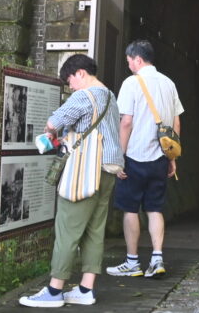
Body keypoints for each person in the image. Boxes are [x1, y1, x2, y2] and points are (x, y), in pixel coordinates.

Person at [20, 54, 122, 308]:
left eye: (70, 80)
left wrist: (52, 134)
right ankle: (86, 289)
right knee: (94, 230)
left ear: (80, 73)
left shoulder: (84, 96)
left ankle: (54, 292)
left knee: (67, 229)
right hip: (109, 169)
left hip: (85, 170)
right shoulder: (110, 96)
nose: (70, 86)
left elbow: (53, 122)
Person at [107, 39, 183, 280]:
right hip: (160, 158)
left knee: (130, 209)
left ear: (137, 59)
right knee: (154, 209)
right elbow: (176, 123)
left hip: (134, 158)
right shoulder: (169, 83)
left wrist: (119, 157)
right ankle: (157, 258)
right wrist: (172, 157)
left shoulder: (131, 83)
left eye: (129, 61)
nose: (128, 65)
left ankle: (132, 262)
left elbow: (126, 122)